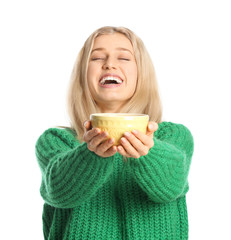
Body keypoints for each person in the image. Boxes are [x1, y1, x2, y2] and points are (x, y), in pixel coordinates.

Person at [35, 26, 194, 240]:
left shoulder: (172, 137)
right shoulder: (57, 141)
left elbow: (170, 186)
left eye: (124, 58)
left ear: (141, 73)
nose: (110, 64)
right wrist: (90, 154)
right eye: (97, 57)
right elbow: (58, 191)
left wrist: (149, 153)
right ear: (83, 74)